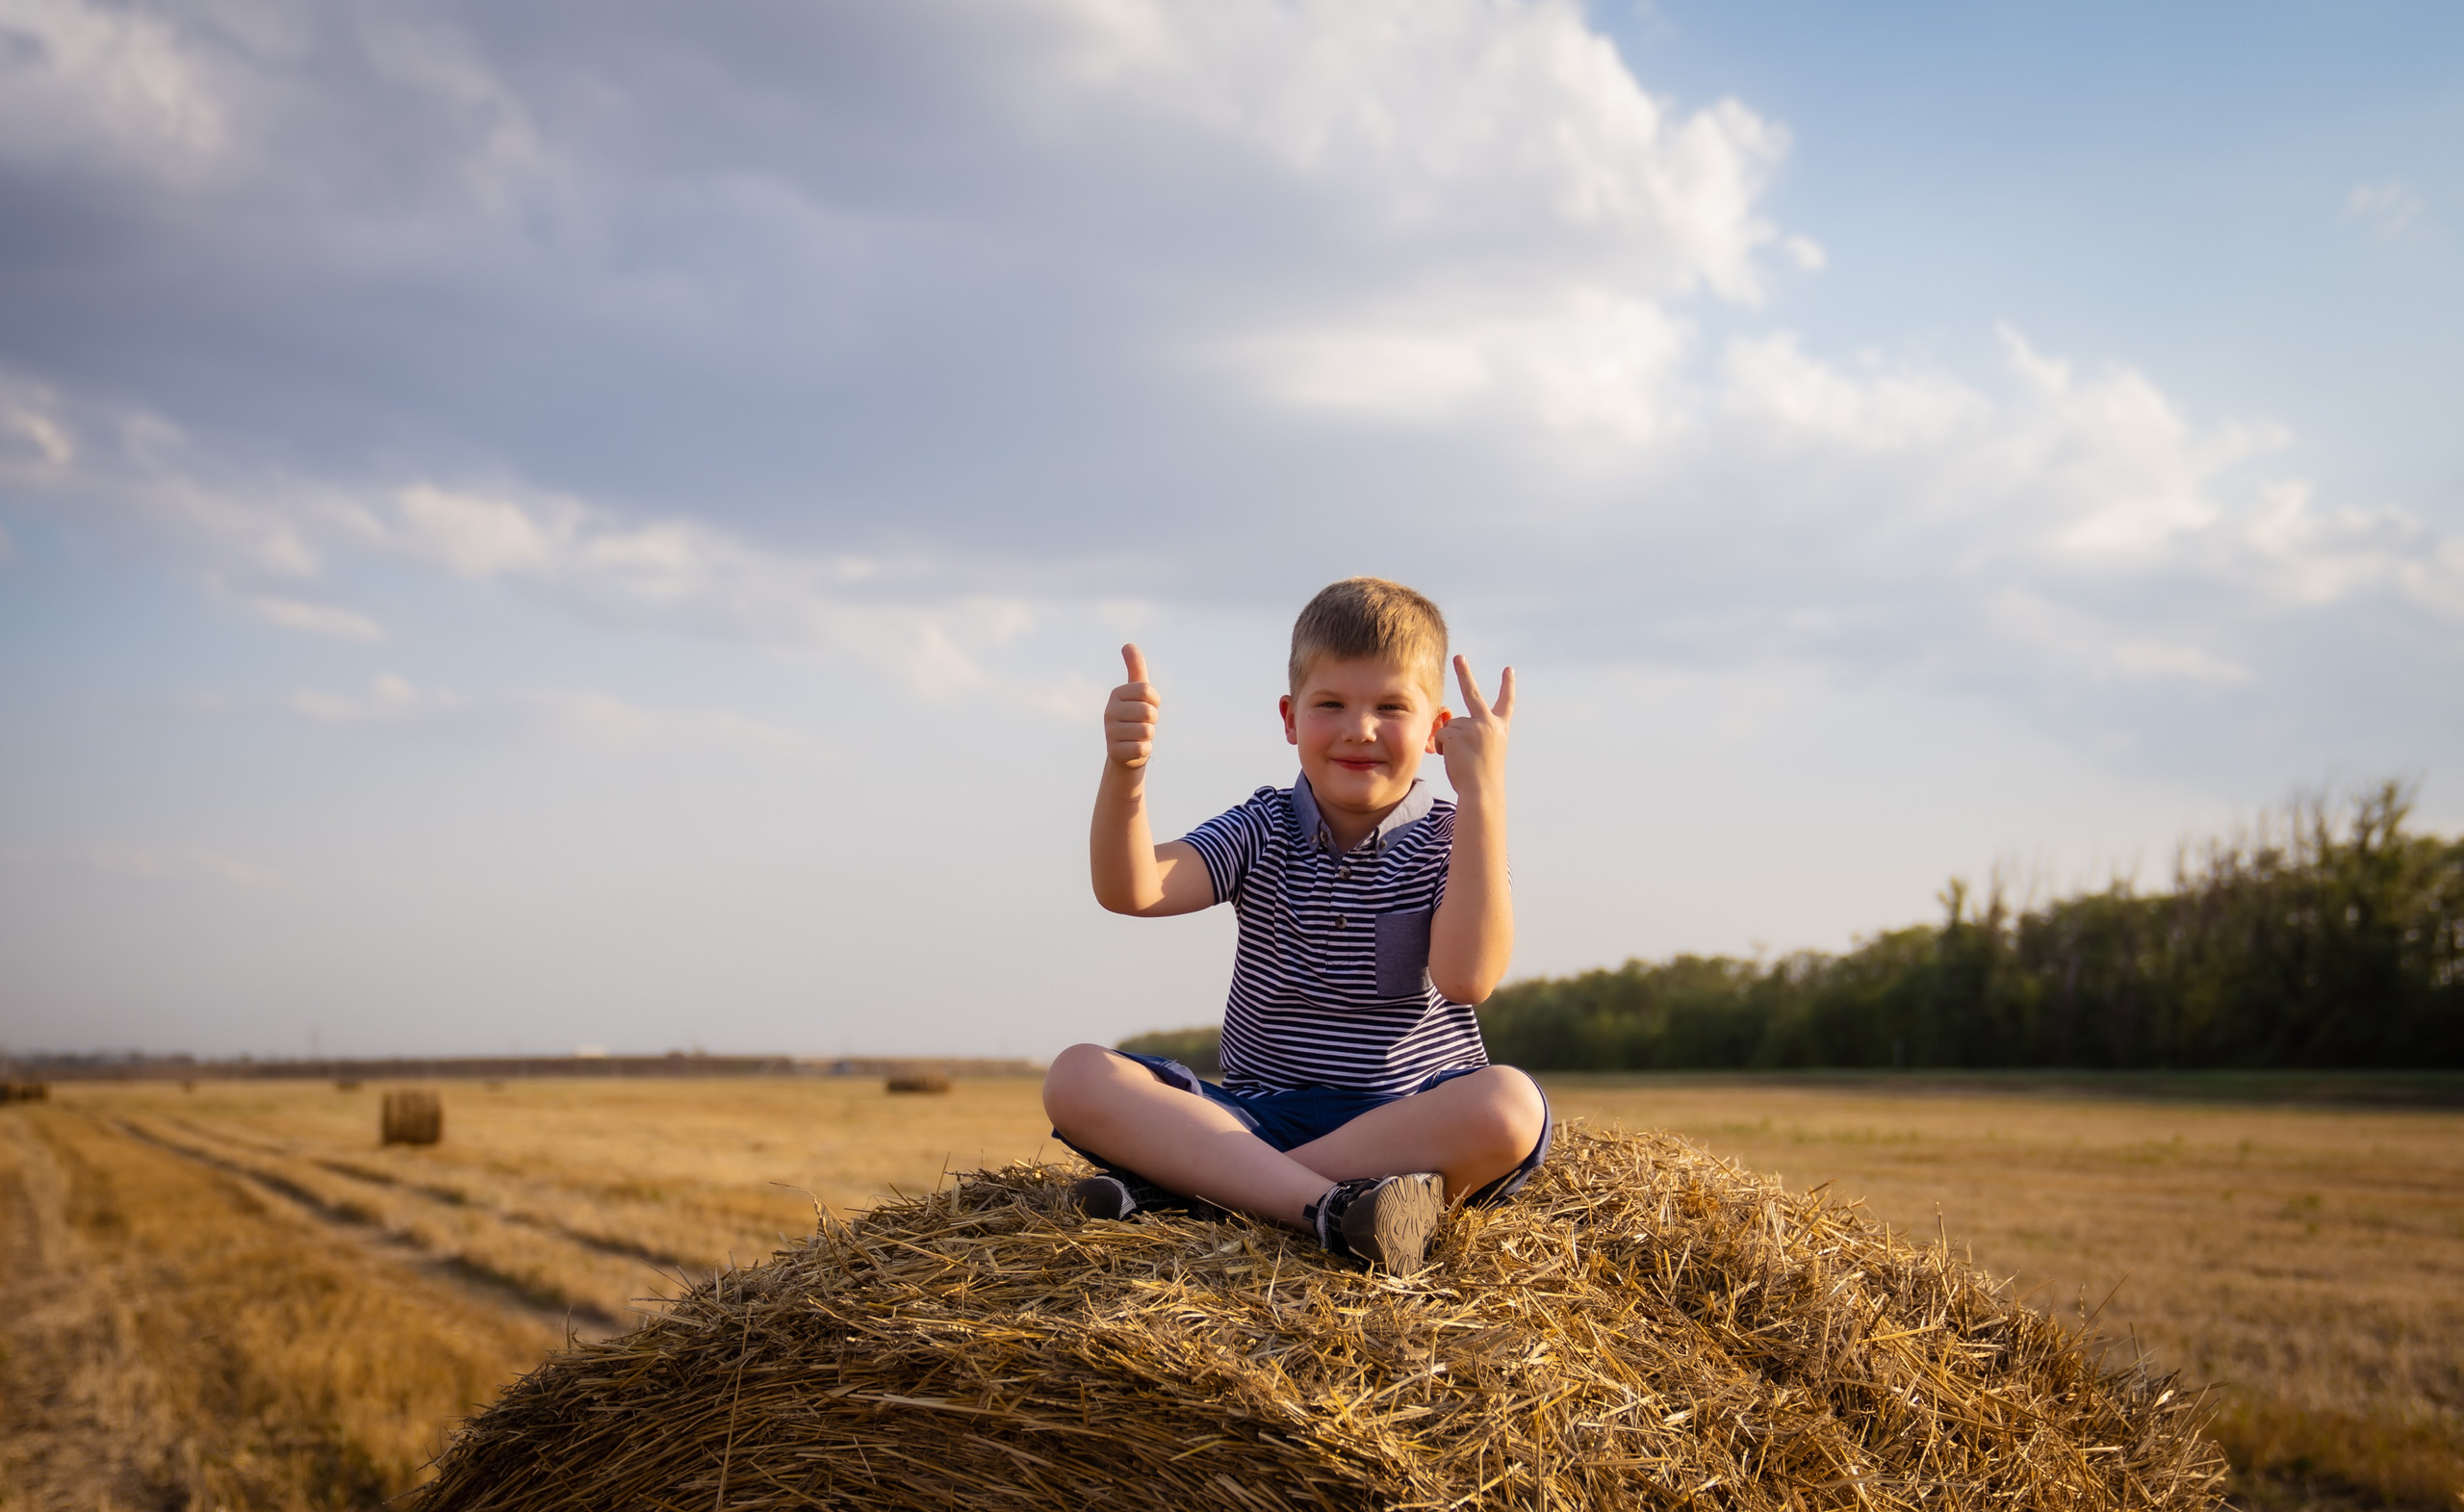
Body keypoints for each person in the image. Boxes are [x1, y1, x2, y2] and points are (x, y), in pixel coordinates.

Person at [1042, 577, 1551, 1274]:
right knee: (1075, 1076)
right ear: (1289, 717)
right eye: (1331, 703)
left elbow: (1468, 976)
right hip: (1253, 1117)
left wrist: (1484, 795)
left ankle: (1204, 1192)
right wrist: (1125, 771)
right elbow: (1132, 889)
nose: (1359, 728)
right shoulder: (1263, 826)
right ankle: (1336, 1210)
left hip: (1405, 1124)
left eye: (1391, 707)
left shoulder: (1456, 841)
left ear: (1436, 729)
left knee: (1511, 1106)